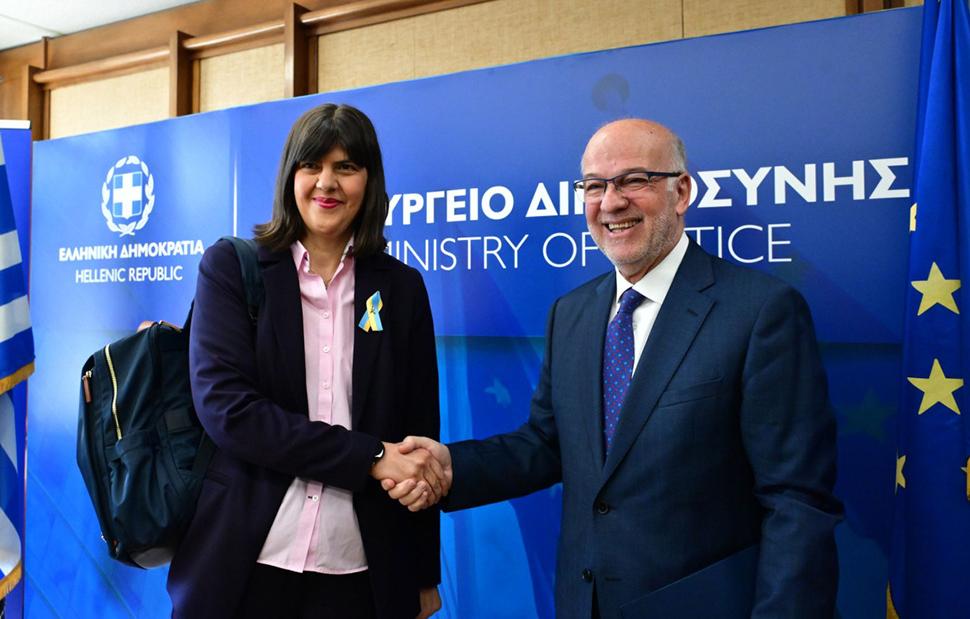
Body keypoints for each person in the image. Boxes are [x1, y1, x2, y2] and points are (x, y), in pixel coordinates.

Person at [385, 119, 842, 618]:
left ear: (681, 191)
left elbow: (795, 501)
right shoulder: (572, 313)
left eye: (633, 180)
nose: (611, 202)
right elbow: (548, 444)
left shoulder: (760, 312)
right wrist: (449, 469)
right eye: (594, 186)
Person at [168, 103, 445, 619]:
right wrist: (369, 456)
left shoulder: (402, 288)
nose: (327, 182)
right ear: (290, 176)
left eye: (346, 167)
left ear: (369, 180)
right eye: (311, 165)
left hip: (361, 568)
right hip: (244, 561)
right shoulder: (232, 268)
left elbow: (419, 436)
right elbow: (229, 411)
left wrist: (423, 572)